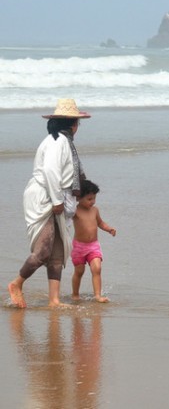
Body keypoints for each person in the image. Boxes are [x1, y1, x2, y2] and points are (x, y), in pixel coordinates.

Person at [7, 99, 91, 308]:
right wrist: (56, 202)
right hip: (46, 197)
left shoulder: (63, 141)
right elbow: (50, 171)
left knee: (57, 251)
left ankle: (54, 300)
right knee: (44, 249)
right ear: (73, 124)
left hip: (55, 196)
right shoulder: (58, 142)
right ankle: (17, 283)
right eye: (77, 123)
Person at [71, 179, 117, 303]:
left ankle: (98, 295)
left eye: (94, 198)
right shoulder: (75, 211)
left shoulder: (95, 210)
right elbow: (64, 214)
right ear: (79, 198)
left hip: (93, 246)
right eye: (89, 199)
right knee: (79, 271)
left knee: (97, 268)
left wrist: (109, 229)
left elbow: (100, 223)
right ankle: (75, 294)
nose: (93, 201)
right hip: (79, 247)